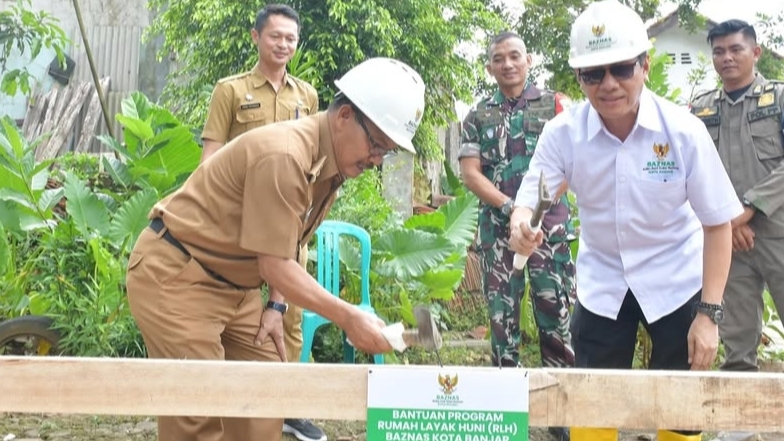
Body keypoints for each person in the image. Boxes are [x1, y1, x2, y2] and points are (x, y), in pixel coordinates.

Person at [125, 57, 426, 441]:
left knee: (265, 401)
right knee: (198, 417)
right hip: (177, 274)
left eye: (388, 151)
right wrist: (349, 317)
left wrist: (276, 305)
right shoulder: (285, 155)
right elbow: (275, 263)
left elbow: (290, 243)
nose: (377, 159)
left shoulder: (330, 164)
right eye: (378, 144)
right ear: (345, 116)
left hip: (238, 287)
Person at [508, 2, 743, 441]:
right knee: (593, 401)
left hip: (676, 280)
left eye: (621, 68)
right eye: (593, 74)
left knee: (680, 405)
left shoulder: (682, 132)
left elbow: (717, 225)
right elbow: (535, 196)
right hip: (605, 284)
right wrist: (524, 223)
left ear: (645, 65)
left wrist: (709, 314)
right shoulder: (564, 135)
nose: (609, 84)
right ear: (579, 79)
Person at [199, 5, 321, 439]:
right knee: (243, 319)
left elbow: (311, 161)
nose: (284, 45)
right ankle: (236, 406)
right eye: (275, 37)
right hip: (242, 221)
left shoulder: (306, 96)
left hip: (287, 220)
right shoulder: (229, 90)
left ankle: (286, 407)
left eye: (291, 38)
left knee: (287, 319)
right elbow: (210, 157)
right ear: (256, 37)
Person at [458, 31, 575, 440]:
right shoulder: (477, 115)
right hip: (498, 236)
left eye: (514, 56)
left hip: (549, 232)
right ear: (489, 67)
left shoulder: (556, 106)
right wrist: (510, 210)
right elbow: (470, 174)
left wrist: (535, 212)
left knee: (556, 320)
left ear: (528, 60)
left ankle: (560, 416)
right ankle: (507, 415)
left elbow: (568, 164)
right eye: (498, 59)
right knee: (502, 324)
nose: (507, 64)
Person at [690, 19, 784, 441]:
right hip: (729, 243)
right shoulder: (701, 108)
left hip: (777, 232)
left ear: (756, 52)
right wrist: (729, 222)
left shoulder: (778, 98)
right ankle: (741, 424)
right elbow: (696, 173)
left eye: (735, 49)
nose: (726, 58)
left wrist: (747, 211)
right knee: (738, 336)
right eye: (718, 51)